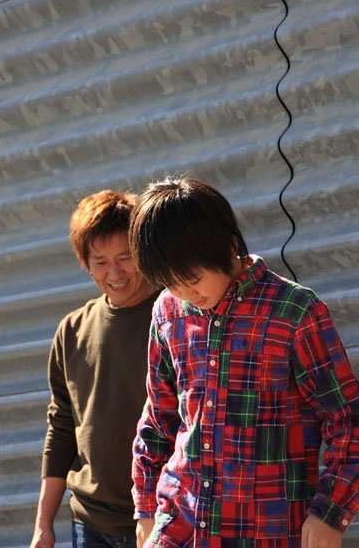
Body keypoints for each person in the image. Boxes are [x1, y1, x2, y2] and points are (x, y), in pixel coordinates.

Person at [127, 177, 359, 548]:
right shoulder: (168, 311)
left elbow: (347, 421)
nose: (186, 294)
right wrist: (146, 509)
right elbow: (158, 420)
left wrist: (330, 513)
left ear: (229, 246)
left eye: (193, 279)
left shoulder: (295, 312)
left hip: (267, 531)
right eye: (170, 283)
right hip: (181, 527)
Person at [29, 189, 160, 548]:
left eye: (125, 257)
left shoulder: (174, 317)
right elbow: (61, 429)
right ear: (85, 264)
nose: (114, 273)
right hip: (89, 525)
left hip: (161, 518)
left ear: (143, 252)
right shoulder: (72, 330)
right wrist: (43, 525)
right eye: (100, 262)